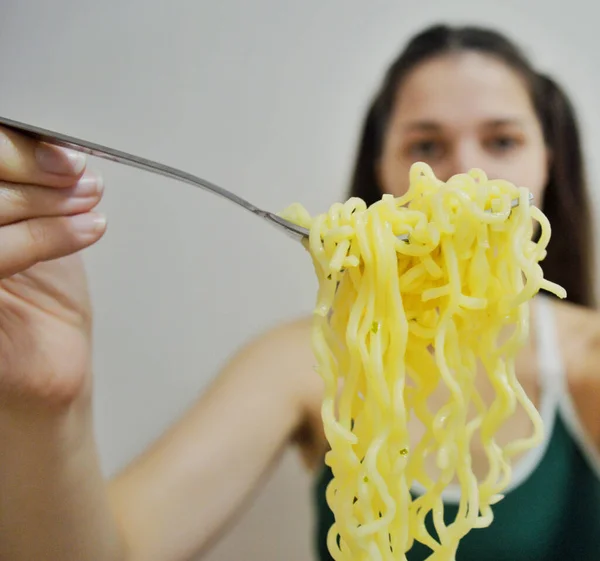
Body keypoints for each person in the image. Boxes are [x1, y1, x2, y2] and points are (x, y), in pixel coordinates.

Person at [1, 22, 599, 561]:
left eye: (502, 141)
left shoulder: (588, 357)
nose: (464, 175)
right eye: (425, 147)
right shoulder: (310, 362)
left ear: (548, 161)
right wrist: (51, 403)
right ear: (384, 174)